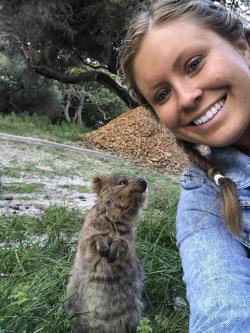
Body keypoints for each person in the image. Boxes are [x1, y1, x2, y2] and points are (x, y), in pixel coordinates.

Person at [118, 0, 250, 332]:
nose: (187, 96)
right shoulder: (203, 197)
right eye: (162, 94)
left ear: (242, 47)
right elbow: (222, 312)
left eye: (193, 64)